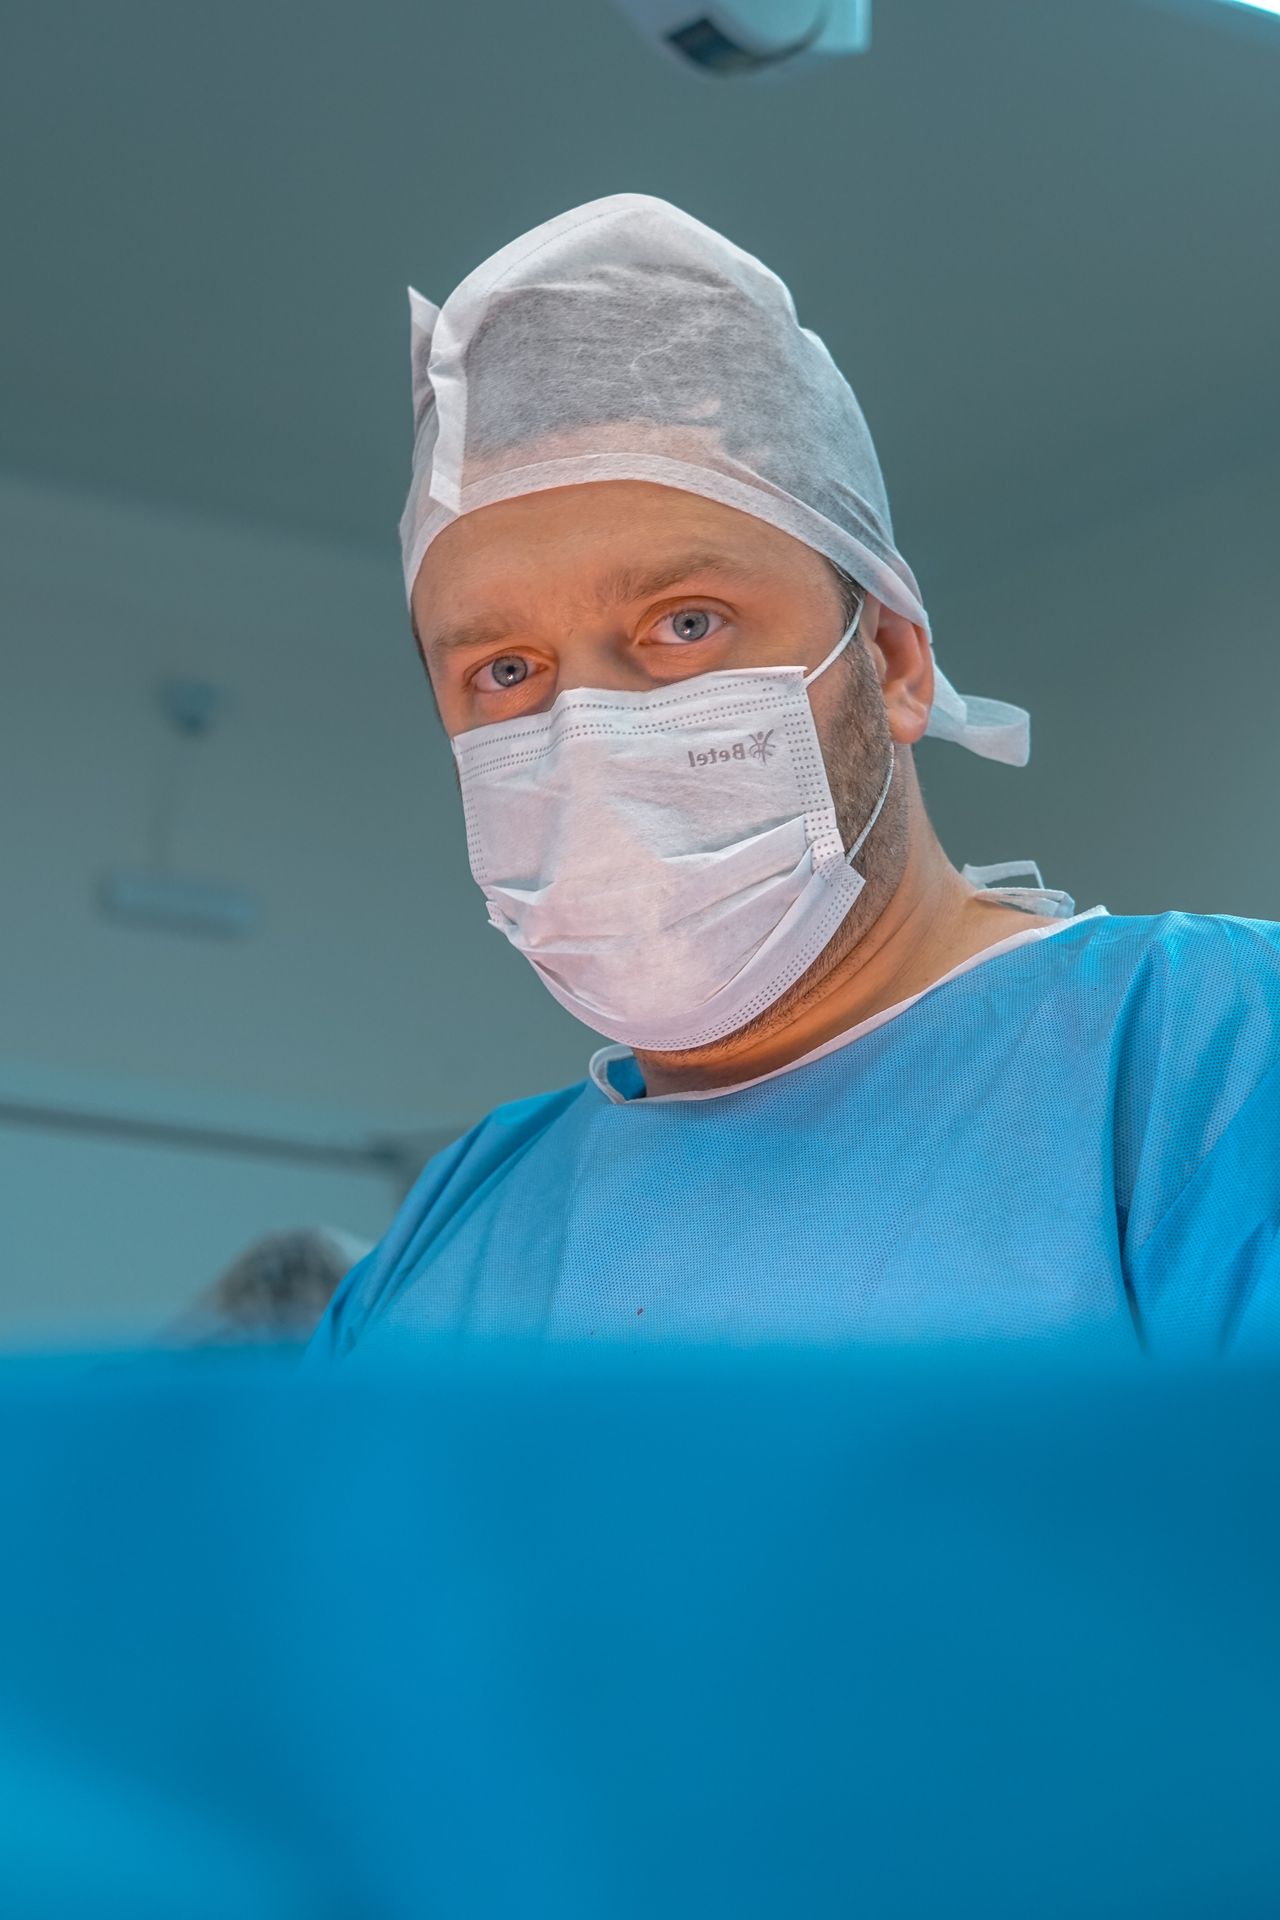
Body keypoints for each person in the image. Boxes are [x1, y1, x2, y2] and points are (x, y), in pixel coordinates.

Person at [309, 193, 1280, 1364]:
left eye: (685, 622)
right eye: (505, 670)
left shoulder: (1204, 1057)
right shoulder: (453, 1237)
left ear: (893, 662)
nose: (589, 728)